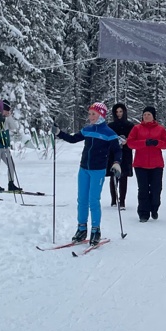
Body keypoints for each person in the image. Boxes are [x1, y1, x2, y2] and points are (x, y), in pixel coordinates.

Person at [56, 102, 122, 245]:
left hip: (98, 171)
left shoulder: (109, 133)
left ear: (101, 115)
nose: (90, 116)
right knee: (82, 200)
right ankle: (81, 229)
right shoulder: (87, 129)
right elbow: (73, 139)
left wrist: (116, 162)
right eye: (89, 114)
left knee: (93, 201)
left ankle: (95, 231)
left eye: (93, 114)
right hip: (84, 169)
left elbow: (117, 150)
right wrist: (59, 133)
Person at [127, 105, 166, 222]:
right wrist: (144, 143)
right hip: (140, 164)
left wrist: (156, 143)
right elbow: (130, 143)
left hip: (156, 165)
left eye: (149, 115)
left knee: (156, 189)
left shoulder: (160, 129)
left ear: (153, 117)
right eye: (144, 114)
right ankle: (143, 213)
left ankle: (154, 208)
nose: (146, 116)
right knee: (143, 189)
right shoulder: (137, 128)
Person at [0, 99, 23, 193]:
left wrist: (9, 117)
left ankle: (11, 183)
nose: (8, 112)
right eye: (6, 110)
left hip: (5, 147)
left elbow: (13, 128)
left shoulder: (6, 119)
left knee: (11, 165)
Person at [108, 103, 135, 208]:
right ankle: (114, 200)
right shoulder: (110, 126)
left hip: (126, 153)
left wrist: (127, 142)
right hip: (113, 153)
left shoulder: (130, 125)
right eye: (117, 112)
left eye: (121, 111)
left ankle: (122, 200)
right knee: (113, 176)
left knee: (123, 177)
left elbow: (133, 139)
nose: (119, 114)